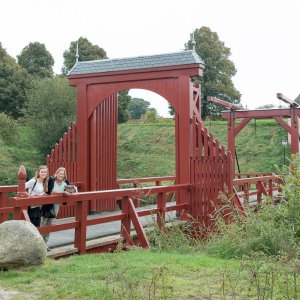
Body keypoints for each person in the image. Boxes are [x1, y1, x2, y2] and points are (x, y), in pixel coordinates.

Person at [41, 167, 70, 246]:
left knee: (50, 224)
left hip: (56, 205)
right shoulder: (51, 180)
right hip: (47, 204)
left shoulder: (65, 183)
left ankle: (45, 244)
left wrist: (72, 190)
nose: (61, 175)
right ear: (56, 174)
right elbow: (51, 191)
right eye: (59, 173)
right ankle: (40, 244)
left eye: (62, 174)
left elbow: (70, 190)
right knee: (43, 223)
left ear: (64, 175)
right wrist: (62, 193)